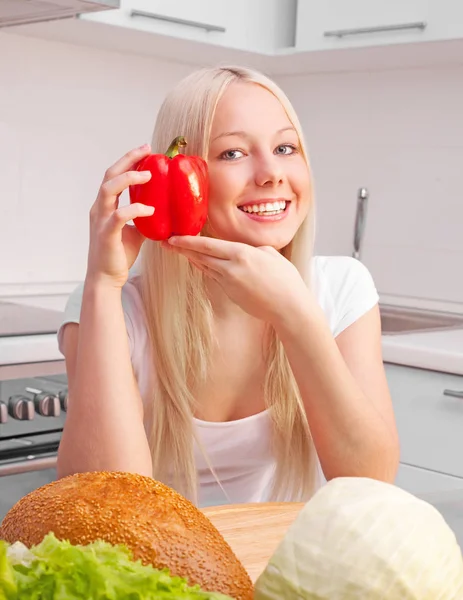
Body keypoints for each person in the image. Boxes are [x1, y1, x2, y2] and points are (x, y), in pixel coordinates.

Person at [56, 65, 400, 508]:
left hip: (279, 565)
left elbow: (371, 485)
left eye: (285, 147)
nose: (271, 173)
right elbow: (105, 503)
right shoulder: (116, 309)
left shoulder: (342, 289)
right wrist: (102, 284)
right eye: (233, 154)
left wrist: (295, 313)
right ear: (181, 178)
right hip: (159, 571)